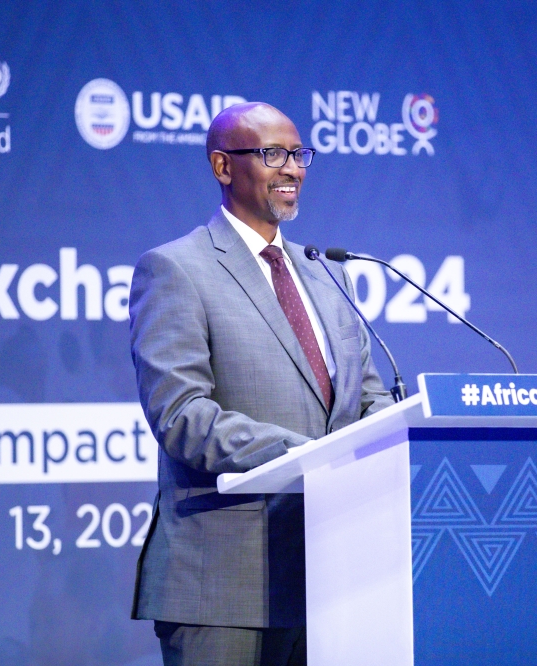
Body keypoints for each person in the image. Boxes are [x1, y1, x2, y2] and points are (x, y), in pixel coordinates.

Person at [128, 102, 393, 666]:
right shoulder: (176, 269)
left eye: (299, 155)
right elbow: (181, 416)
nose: (293, 169)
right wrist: (312, 457)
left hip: (335, 581)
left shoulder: (328, 272)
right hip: (223, 586)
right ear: (223, 167)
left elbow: (366, 397)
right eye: (273, 154)